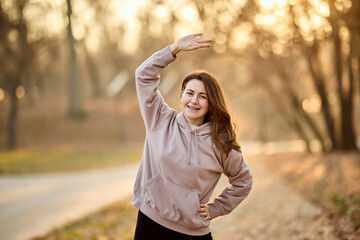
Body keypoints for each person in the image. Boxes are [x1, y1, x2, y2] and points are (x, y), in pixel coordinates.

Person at [132, 33, 253, 240]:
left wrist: (216, 208)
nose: (194, 101)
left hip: (193, 232)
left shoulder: (221, 142)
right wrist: (173, 49)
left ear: (211, 103)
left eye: (202, 96)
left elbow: (243, 181)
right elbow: (143, 75)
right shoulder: (160, 120)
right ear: (182, 95)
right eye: (190, 93)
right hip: (151, 221)